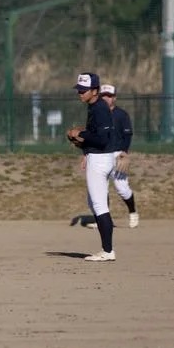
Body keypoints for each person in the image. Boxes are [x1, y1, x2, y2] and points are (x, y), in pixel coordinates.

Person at [65, 73, 118, 262]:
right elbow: (96, 138)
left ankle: (107, 250)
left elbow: (102, 139)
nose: (80, 92)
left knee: (99, 205)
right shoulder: (94, 106)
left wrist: (81, 134)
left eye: (83, 90)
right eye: (79, 89)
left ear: (95, 91)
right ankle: (107, 248)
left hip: (101, 160)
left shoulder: (99, 109)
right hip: (99, 157)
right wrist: (84, 147)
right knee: (94, 203)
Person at [100, 83, 140, 228]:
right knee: (100, 189)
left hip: (117, 154)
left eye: (109, 96)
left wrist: (124, 152)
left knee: (122, 188)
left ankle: (133, 212)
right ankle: (103, 220)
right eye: (103, 95)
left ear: (114, 98)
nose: (106, 98)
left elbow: (127, 135)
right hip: (101, 154)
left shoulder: (121, 114)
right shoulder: (96, 114)